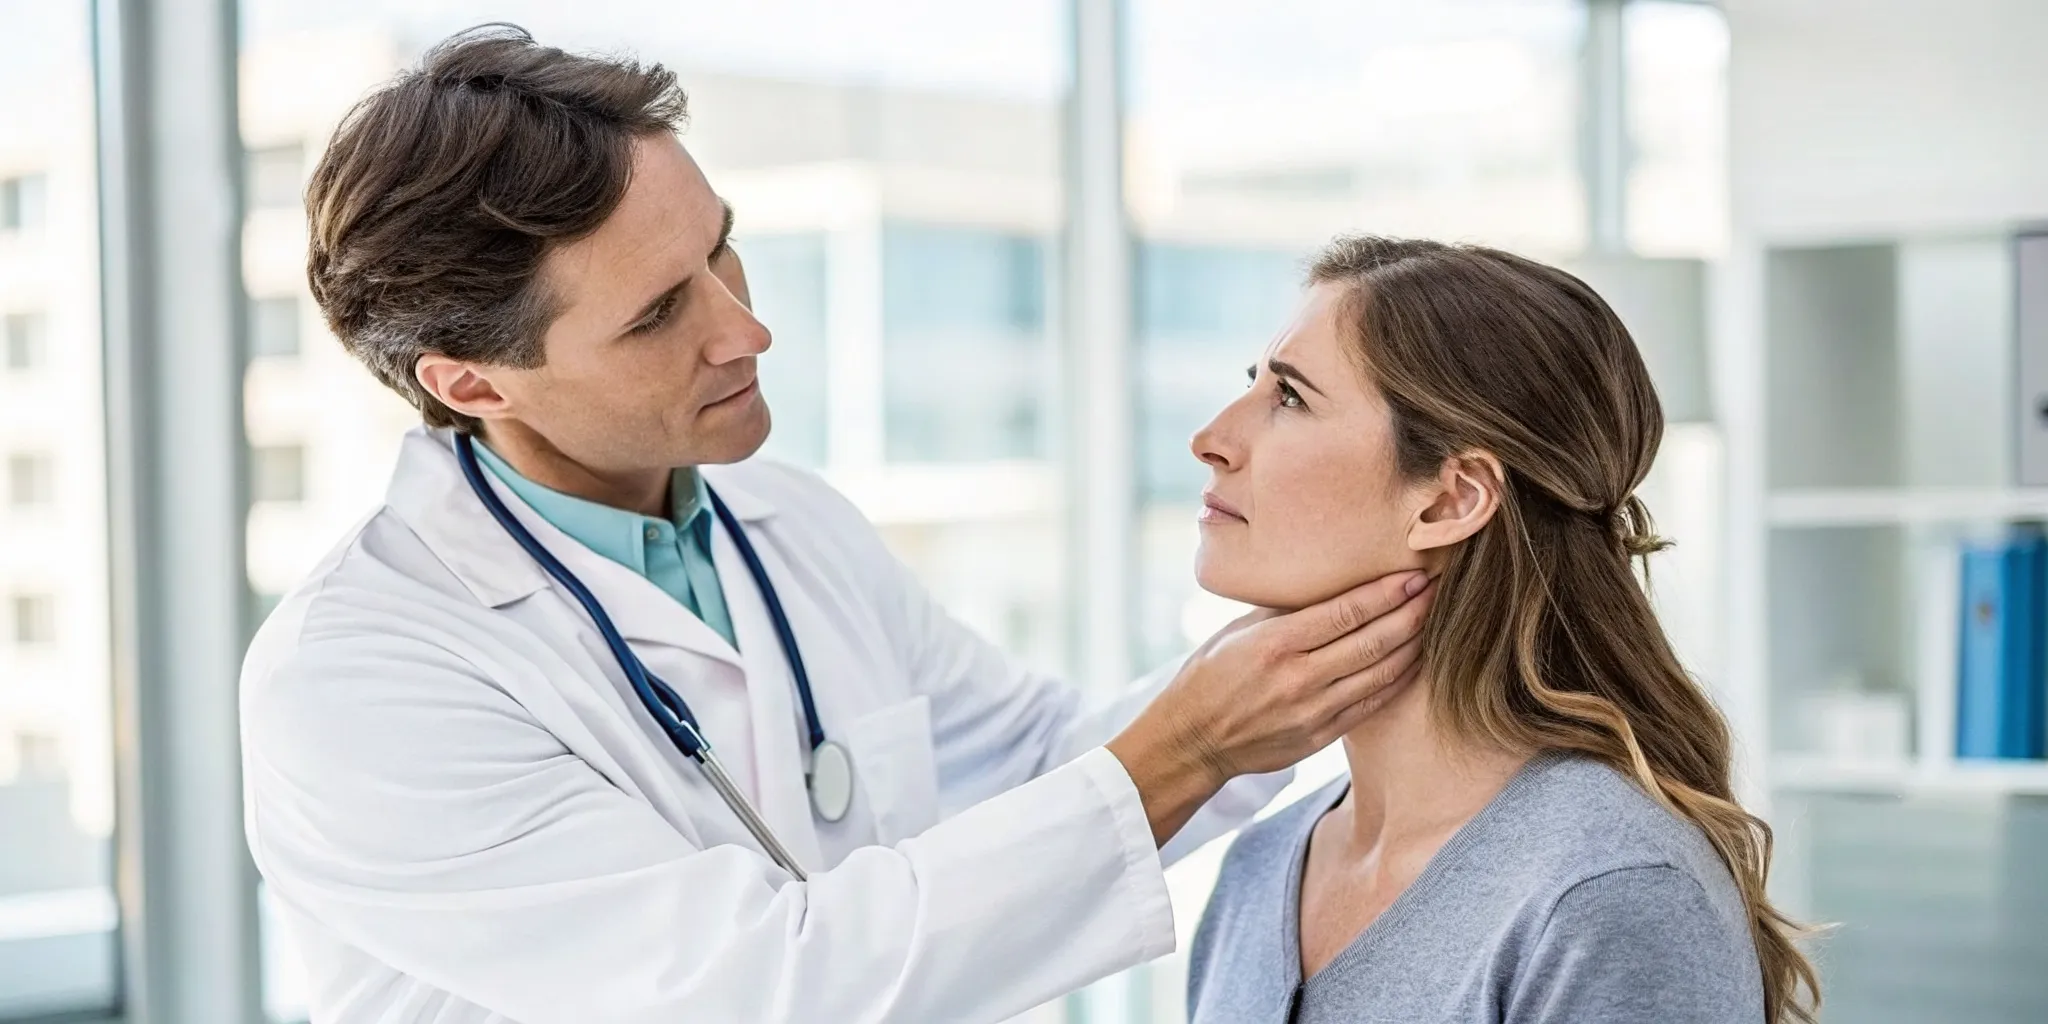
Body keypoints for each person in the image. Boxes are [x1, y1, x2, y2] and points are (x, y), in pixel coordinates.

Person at [237, 26, 1433, 1024]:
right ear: (470, 382)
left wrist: (1317, 644)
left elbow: (1035, 766)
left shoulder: (785, 523)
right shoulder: (362, 675)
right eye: (656, 315)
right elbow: (761, 983)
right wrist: (1192, 745)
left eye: (721, 249)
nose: (744, 331)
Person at [1182, 237, 1820, 1024]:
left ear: (1452, 499)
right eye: (1254, 385)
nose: (1210, 439)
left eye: (1290, 398)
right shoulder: (1262, 866)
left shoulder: (1608, 893)